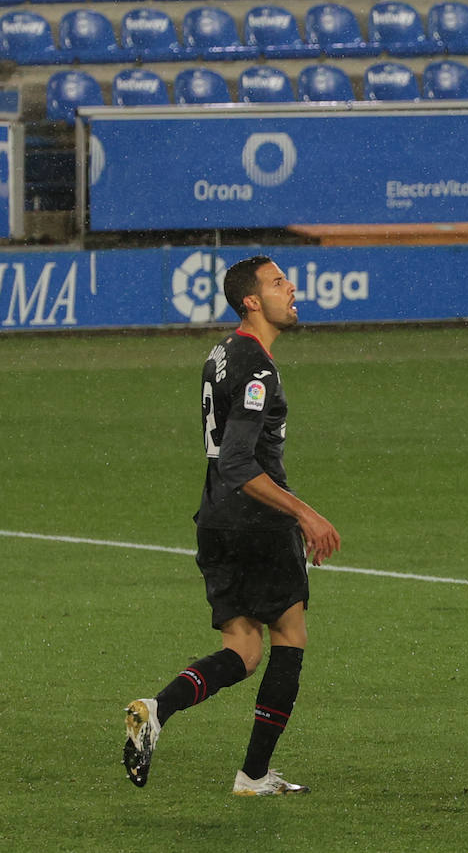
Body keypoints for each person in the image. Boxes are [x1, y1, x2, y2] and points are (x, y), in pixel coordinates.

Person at [122, 255, 342, 796]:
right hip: (256, 524)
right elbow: (239, 461)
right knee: (289, 636)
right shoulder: (258, 369)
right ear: (251, 300)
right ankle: (254, 774)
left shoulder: (223, 352)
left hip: (216, 520)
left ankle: (156, 709)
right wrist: (303, 511)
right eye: (277, 282)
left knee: (242, 650)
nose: (291, 287)